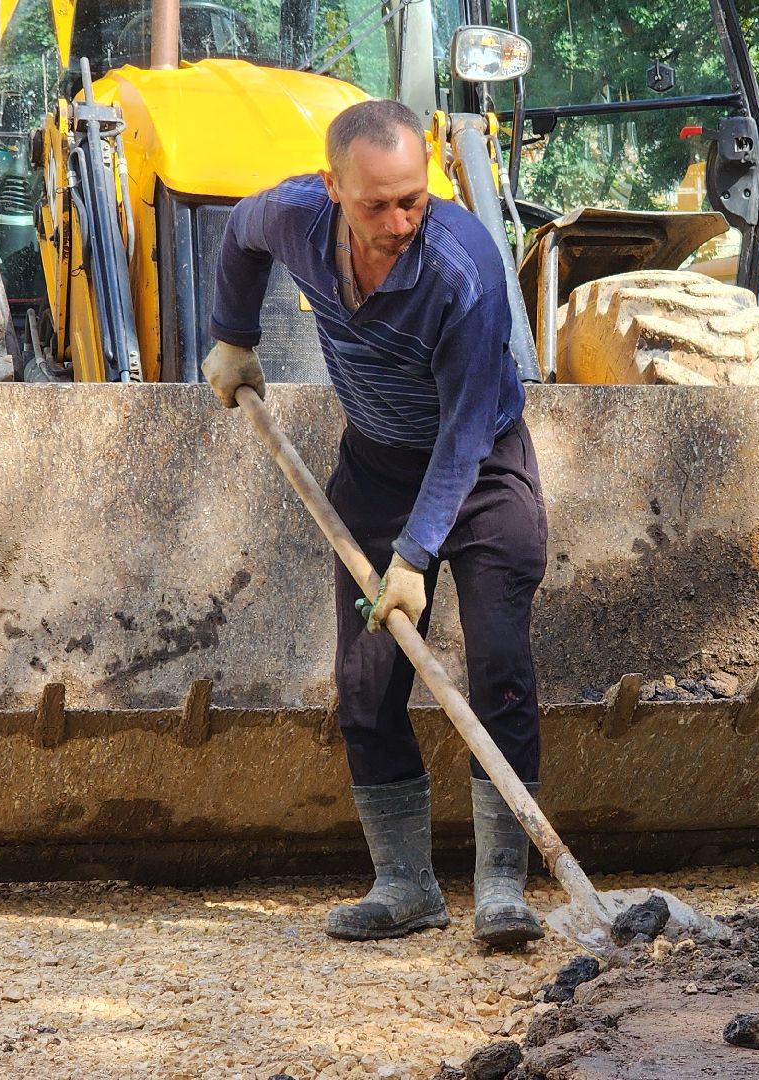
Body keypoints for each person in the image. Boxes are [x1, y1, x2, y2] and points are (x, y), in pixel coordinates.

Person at [202, 99, 547, 947]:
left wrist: (416, 555)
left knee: (499, 666)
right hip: (377, 472)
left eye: (413, 200)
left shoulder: (463, 268)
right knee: (366, 684)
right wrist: (232, 337)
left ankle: (503, 886)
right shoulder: (293, 217)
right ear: (333, 189)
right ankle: (404, 885)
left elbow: (467, 428)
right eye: (376, 205)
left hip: (483, 471)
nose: (398, 222)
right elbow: (238, 238)